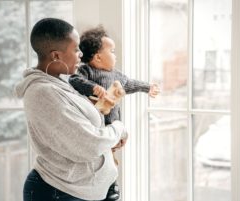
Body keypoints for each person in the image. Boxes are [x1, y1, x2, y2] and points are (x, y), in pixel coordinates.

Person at [14, 18, 128, 201]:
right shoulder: (42, 92)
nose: (81, 54)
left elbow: (79, 134)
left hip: (77, 190)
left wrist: (107, 137)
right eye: (76, 49)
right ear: (56, 56)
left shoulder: (59, 84)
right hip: (61, 192)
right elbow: (91, 144)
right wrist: (118, 128)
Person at [68, 25, 160, 200]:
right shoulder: (86, 70)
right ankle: (98, 187)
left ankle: (111, 187)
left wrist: (147, 87)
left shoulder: (116, 75)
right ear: (98, 57)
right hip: (94, 125)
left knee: (110, 160)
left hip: (113, 125)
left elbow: (129, 83)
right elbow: (74, 80)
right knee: (98, 159)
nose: (115, 55)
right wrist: (93, 88)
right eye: (112, 51)